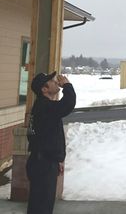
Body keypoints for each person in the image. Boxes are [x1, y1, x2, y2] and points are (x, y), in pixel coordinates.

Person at [26, 72, 76, 214]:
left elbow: (48, 137)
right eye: (52, 81)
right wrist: (67, 86)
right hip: (43, 165)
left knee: (39, 204)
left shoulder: (42, 107)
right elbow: (68, 104)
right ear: (44, 89)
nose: (56, 83)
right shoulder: (44, 106)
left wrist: (57, 159)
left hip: (42, 161)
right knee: (42, 206)